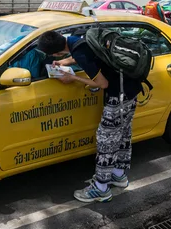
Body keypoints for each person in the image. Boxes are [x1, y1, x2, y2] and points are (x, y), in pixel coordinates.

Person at [37, 31, 142, 203]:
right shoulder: (79, 39)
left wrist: (73, 78)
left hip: (118, 95)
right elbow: (86, 56)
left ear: (55, 53)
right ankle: (119, 175)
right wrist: (65, 62)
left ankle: (101, 189)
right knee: (122, 134)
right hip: (130, 91)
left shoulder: (79, 51)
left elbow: (102, 83)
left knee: (106, 140)